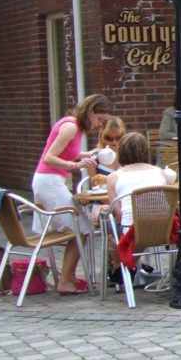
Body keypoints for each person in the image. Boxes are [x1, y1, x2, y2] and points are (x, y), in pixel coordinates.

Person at [32, 93, 113, 295]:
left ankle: (67, 277)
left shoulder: (72, 126)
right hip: (49, 181)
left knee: (80, 228)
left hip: (49, 180)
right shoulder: (71, 127)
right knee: (82, 228)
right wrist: (74, 165)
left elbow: (67, 152)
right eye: (99, 119)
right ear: (90, 112)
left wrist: (89, 155)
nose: (99, 125)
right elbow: (50, 157)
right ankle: (65, 280)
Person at [104, 132, 169, 285]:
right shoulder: (159, 172)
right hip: (163, 230)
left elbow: (118, 213)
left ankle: (120, 265)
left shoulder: (114, 177)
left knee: (108, 224)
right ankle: (131, 265)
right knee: (139, 222)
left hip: (132, 232)